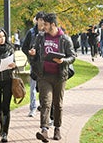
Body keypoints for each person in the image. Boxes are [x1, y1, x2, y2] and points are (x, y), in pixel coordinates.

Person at [28, 13, 76, 142]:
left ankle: (57, 128)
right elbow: (34, 50)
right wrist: (32, 53)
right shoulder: (41, 37)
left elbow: (73, 56)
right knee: (45, 102)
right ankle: (44, 130)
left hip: (60, 76)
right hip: (44, 76)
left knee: (58, 104)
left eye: (46, 24)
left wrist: (63, 61)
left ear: (53, 25)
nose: (43, 27)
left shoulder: (65, 39)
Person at [22, 11, 46, 118]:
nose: (42, 22)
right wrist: (29, 53)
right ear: (37, 20)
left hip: (45, 64)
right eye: (40, 20)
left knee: (44, 87)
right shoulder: (31, 32)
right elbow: (24, 47)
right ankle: (33, 108)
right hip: (34, 64)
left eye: (44, 20)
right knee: (33, 86)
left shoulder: (48, 32)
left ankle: (43, 107)